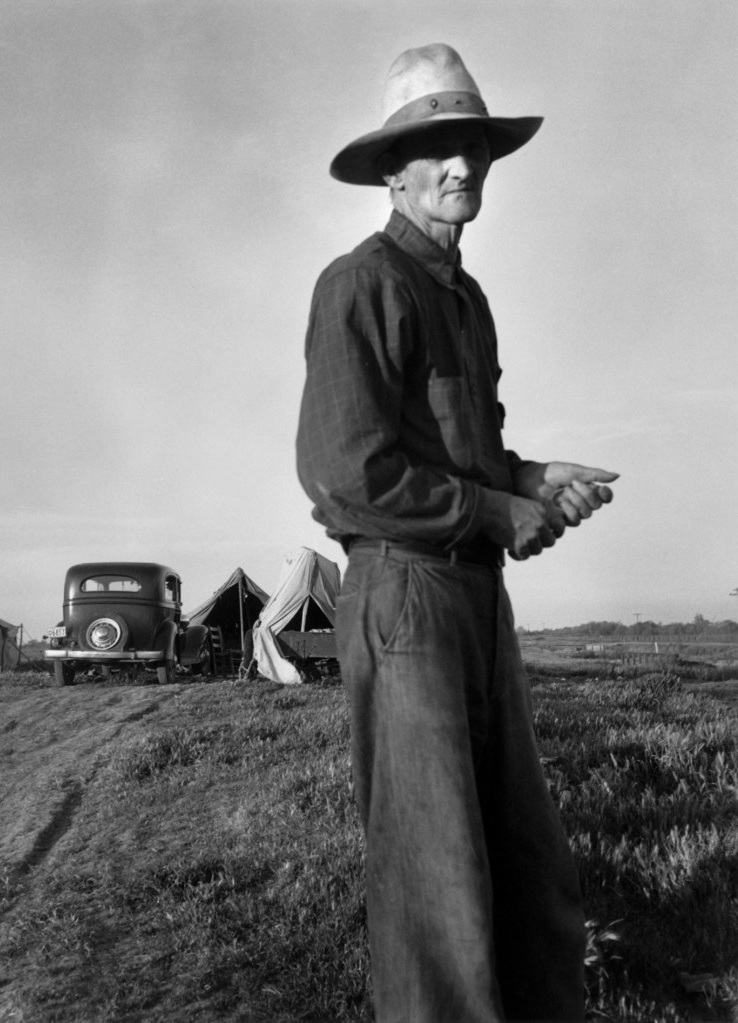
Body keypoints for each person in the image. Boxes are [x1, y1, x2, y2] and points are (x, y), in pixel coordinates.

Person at [296, 44, 618, 1022]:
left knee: (530, 877)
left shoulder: (464, 302)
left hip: (474, 596)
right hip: (405, 598)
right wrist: (496, 511)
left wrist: (528, 480)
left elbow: (465, 457)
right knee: (438, 898)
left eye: (473, 147)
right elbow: (345, 475)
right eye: (439, 149)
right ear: (394, 170)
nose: (463, 168)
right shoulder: (361, 285)